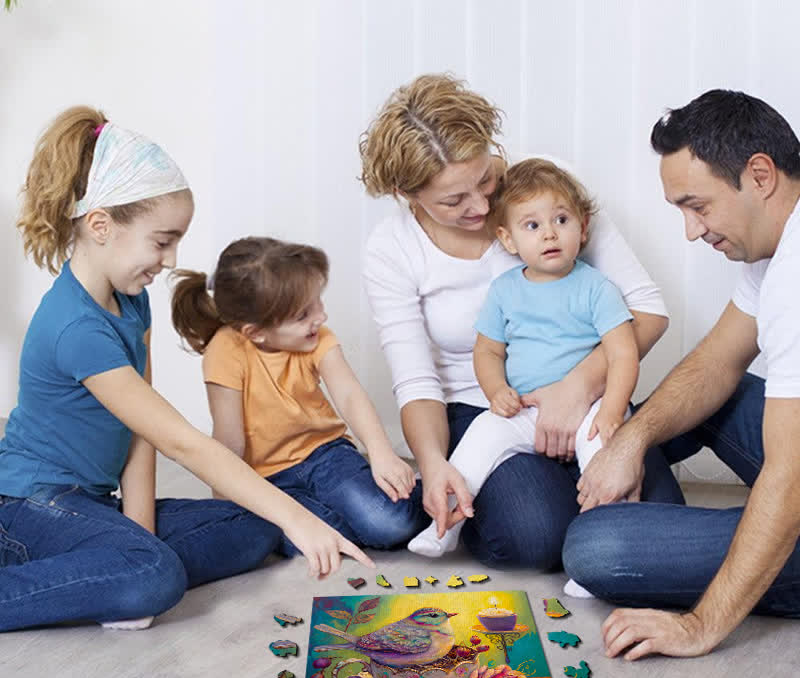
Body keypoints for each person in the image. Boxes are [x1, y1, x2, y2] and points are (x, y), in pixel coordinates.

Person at [0, 107, 373, 634]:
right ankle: (100, 572)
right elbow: (183, 442)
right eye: (162, 240)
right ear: (101, 225)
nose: (172, 258)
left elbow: (143, 436)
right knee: (153, 575)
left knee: (251, 526)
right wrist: (300, 520)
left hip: (92, 501)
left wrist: (141, 531)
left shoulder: (132, 302)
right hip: (32, 504)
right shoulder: (74, 328)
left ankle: (106, 570)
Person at [360, 73, 684, 571]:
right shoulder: (392, 248)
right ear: (408, 194)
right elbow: (417, 381)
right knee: (537, 538)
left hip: (590, 386)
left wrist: (576, 389)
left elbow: (647, 310)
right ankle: (498, 500)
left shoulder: (547, 194)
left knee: (659, 516)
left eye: (485, 178)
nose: (483, 206)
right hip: (483, 406)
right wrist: (433, 464)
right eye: (454, 201)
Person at [563, 89, 800, 659]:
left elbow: (790, 479)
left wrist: (699, 626)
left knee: (598, 548)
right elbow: (716, 362)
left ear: (760, 175)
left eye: (699, 206)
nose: (693, 232)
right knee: (718, 393)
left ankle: (737, 548)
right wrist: (631, 442)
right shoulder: (775, 248)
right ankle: (618, 480)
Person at [407, 158, 638, 558]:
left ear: (583, 228)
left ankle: (603, 551)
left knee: (605, 465)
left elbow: (623, 355)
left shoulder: (596, 288)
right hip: (525, 408)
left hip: (589, 409)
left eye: (561, 220)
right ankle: (444, 525)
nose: (549, 233)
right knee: (480, 439)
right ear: (508, 239)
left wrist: (612, 412)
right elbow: (489, 350)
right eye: (532, 226)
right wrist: (496, 391)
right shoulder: (505, 291)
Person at [170, 236, 429, 552]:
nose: (320, 317)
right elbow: (228, 439)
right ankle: (350, 516)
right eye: (303, 314)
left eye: (317, 302)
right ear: (256, 332)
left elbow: (349, 394)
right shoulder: (224, 350)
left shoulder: (317, 337)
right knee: (298, 541)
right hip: (267, 477)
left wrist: (381, 452)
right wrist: (229, 501)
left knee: (389, 524)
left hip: (326, 454)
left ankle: (427, 490)